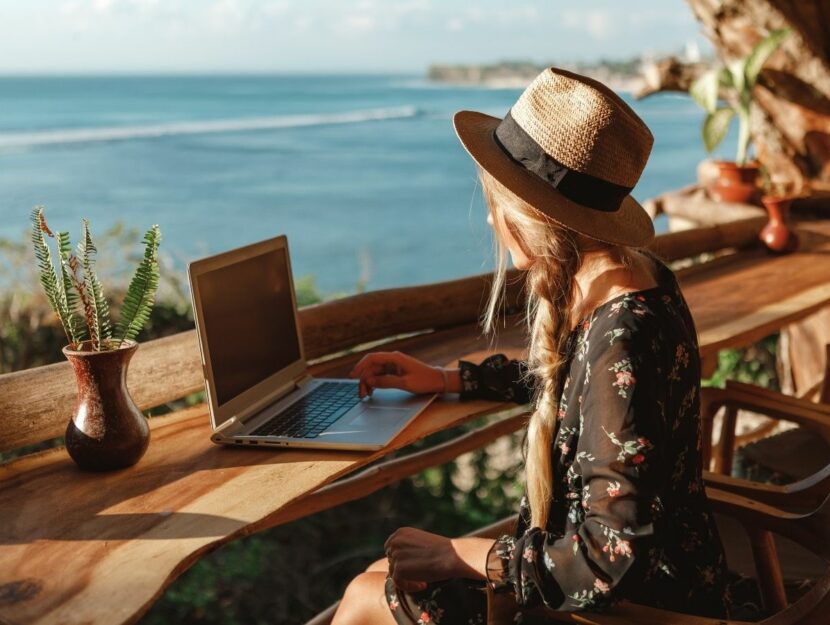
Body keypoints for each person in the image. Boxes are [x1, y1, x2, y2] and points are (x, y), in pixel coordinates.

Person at [331, 67, 730, 625]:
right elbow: (585, 393)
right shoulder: (633, 279)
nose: (492, 218)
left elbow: (607, 560)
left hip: (635, 608)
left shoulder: (624, 338)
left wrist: (463, 553)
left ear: (529, 216)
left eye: (497, 204)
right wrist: (449, 378)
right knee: (380, 574)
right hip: (671, 573)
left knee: (365, 596)